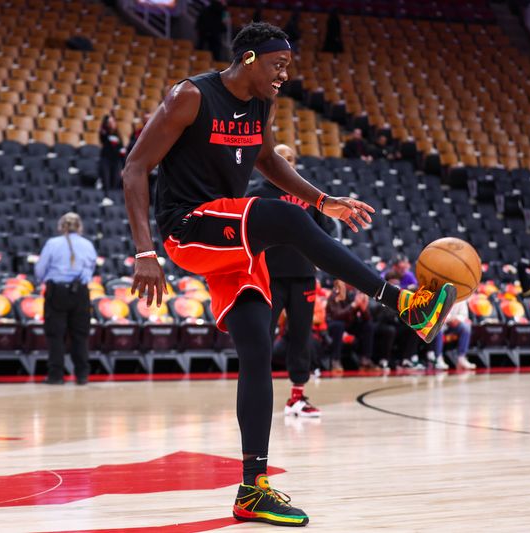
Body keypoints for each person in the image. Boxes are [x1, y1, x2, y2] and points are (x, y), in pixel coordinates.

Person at [122, 22, 456, 527]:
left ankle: (252, 488)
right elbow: (133, 168)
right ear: (249, 58)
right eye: (278, 65)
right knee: (287, 216)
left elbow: (266, 159)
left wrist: (327, 201)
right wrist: (144, 254)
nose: (285, 75)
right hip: (188, 227)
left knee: (257, 349)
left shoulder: (262, 105)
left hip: (231, 237)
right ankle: (406, 304)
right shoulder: (191, 96)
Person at [248, 144, 332, 417]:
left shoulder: (309, 193)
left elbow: (327, 238)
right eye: (281, 158)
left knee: (301, 337)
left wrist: (339, 275)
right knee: (262, 337)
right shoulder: (257, 194)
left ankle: (297, 398)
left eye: (291, 158)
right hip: (268, 277)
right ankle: (257, 395)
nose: (286, 162)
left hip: (304, 277)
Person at [35, 213, 97, 385]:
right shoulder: (88, 245)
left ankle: (56, 375)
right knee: (80, 334)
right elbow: (90, 269)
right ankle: (82, 375)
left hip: (57, 292)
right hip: (80, 293)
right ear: (79, 227)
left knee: (55, 335)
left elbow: (40, 270)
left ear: (61, 227)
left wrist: (47, 279)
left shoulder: (52, 244)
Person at [327, 279, 376, 370]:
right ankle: (335, 360)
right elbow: (337, 315)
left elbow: (367, 318)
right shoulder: (336, 293)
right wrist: (353, 305)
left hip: (349, 324)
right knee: (339, 325)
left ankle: (365, 359)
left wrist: (363, 309)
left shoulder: (356, 293)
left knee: (368, 325)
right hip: (333, 324)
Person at [427, 300, 476, 371]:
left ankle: (461, 357)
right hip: (442, 323)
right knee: (438, 329)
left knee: (466, 327)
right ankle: (438, 358)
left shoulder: (463, 299)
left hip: (455, 324)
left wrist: (457, 319)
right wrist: (450, 319)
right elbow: (439, 312)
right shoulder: (444, 295)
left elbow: (464, 314)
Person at [99, 114, 124, 190]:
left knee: (115, 183)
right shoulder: (105, 133)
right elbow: (102, 134)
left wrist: (123, 167)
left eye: (113, 121)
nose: (112, 123)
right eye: (109, 122)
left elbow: (121, 151)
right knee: (106, 182)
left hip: (116, 162)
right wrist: (106, 121)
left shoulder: (118, 135)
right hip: (106, 161)